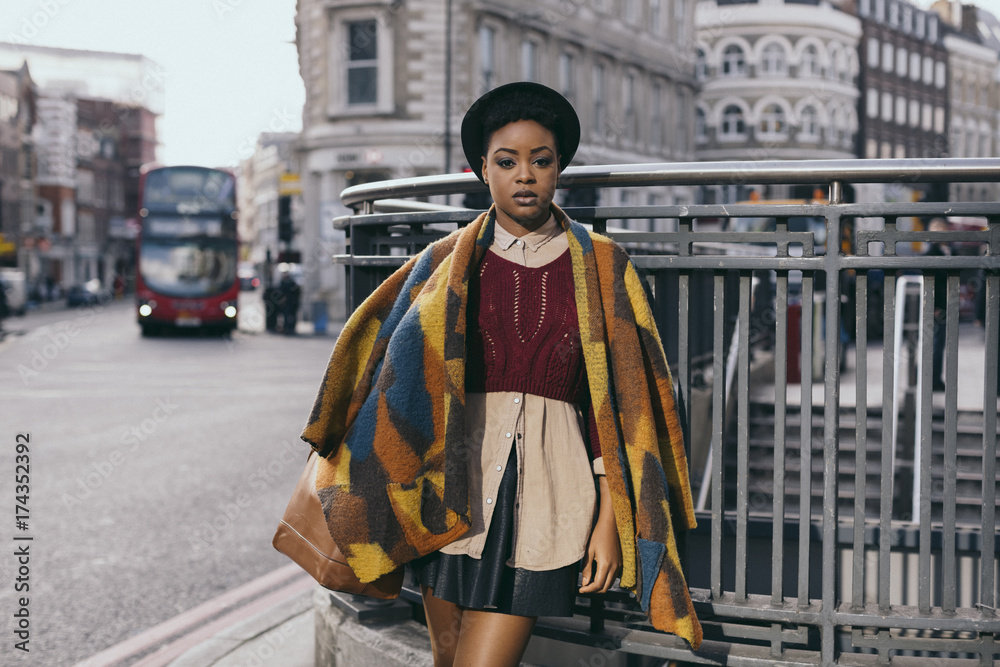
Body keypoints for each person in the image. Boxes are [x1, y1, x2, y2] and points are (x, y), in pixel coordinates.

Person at [299, 82, 701, 666]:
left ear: (559, 167)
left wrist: (610, 524)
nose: (525, 176)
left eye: (541, 161)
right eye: (507, 162)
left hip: (550, 496)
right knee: (447, 658)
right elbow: (385, 371)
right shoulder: (445, 263)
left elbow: (622, 409)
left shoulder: (604, 266)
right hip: (450, 498)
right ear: (480, 170)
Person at [925, 218, 951, 392]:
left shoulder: (947, 250)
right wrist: (933, 306)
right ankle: (932, 379)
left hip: (945, 304)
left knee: (939, 343)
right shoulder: (931, 253)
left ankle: (935, 378)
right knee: (935, 343)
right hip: (937, 306)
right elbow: (931, 283)